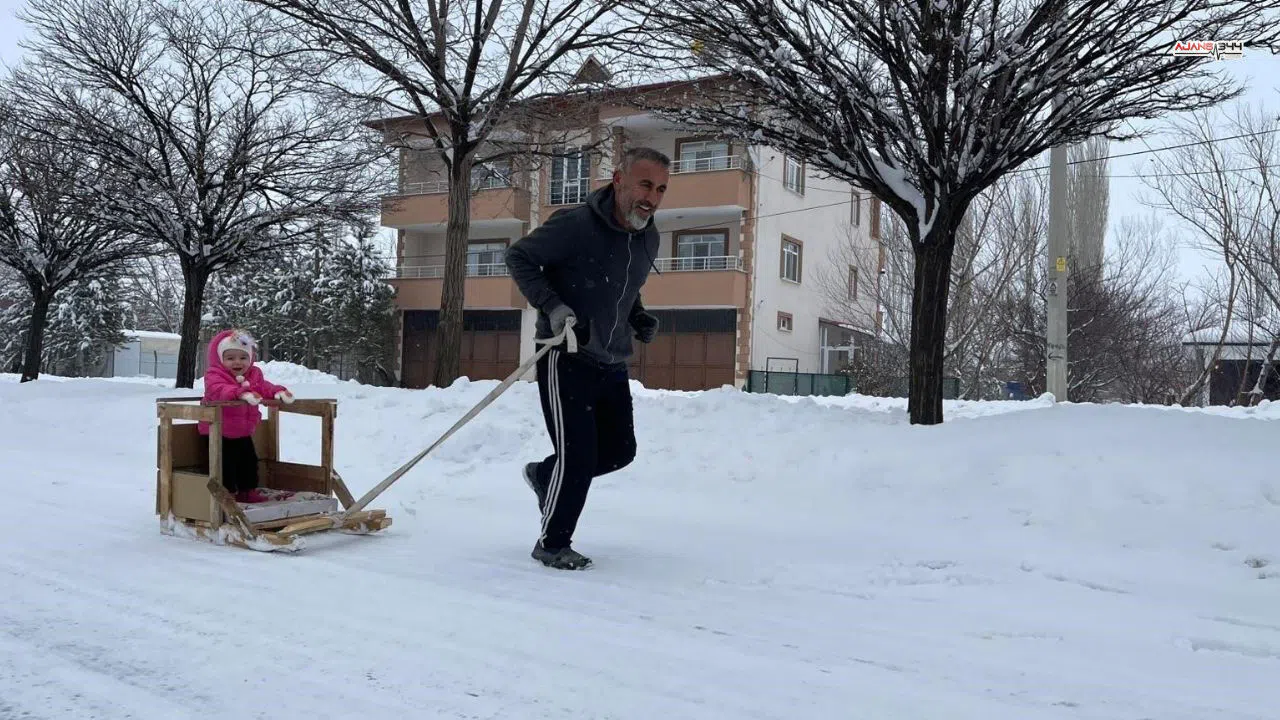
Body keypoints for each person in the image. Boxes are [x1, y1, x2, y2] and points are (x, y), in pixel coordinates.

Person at [505, 147, 669, 570]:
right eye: (645, 184)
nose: (653, 196)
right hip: (567, 353)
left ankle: (546, 475)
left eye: (662, 189)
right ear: (619, 180)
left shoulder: (647, 235)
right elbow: (520, 257)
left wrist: (638, 316)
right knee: (578, 454)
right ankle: (552, 542)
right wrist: (552, 306)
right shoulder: (575, 225)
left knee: (619, 450)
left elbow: (624, 286)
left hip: (612, 359)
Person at [199, 328, 295, 504]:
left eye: (243, 357)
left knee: (249, 462)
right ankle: (227, 495)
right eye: (230, 358)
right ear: (220, 359)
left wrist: (277, 391)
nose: (238, 362)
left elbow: (263, 387)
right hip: (218, 430)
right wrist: (239, 393)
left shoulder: (254, 374)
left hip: (242, 431)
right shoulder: (214, 375)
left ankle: (247, 491)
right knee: (225, 465)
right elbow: (218, 390)